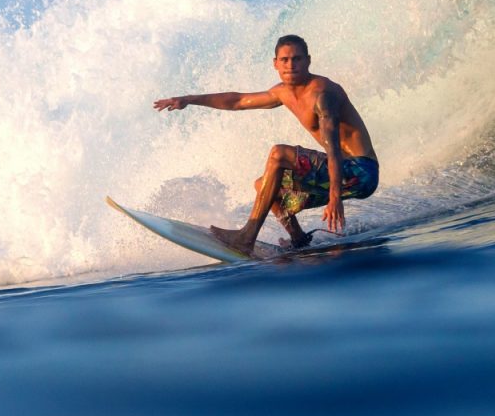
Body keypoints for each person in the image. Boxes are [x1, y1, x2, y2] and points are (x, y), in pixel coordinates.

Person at [153, 34, 379, 253]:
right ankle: (298, 239)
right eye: (285, 60)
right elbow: (237, 101)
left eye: (297, 59)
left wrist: (334, 198)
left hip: (360, 170)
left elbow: (333, 149)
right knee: (265, 186)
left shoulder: (322, 94)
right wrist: (189, 100)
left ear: (308, 61)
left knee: (278, 154)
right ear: (275, 63)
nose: (291, 65)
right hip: (340, 173)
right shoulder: (283, 92)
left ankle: (246, 237)